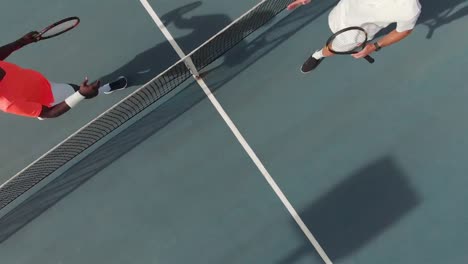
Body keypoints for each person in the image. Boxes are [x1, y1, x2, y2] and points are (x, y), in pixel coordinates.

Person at [0, 32, 128, 119]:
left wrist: (21, 41)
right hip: (50, 96)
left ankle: (33, 109)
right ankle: (105, 89)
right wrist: (81, 94)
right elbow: (49, 113)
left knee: (78, 91)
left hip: (37, 83)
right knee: (82, 91)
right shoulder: (10, 103)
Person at [289, 0, 422, 73]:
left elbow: (404, 31)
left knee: (331, 49)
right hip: (339, 13)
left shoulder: (410, 9)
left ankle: (318, 55)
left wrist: (374, 46)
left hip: (353, 36)